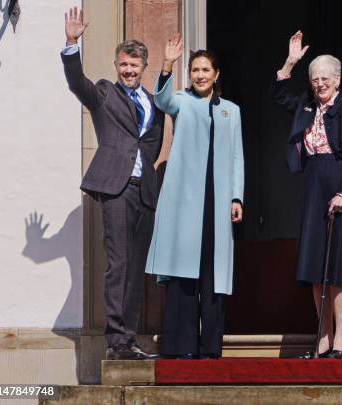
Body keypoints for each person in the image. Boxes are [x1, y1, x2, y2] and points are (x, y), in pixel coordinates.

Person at [61, 7, 164, 360]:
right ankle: (116, 342)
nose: (129, 70)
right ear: (117, 65)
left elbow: (150, 144)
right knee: (118, 263)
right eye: (123, 64)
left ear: (143, 67)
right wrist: (72, 44)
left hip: (144, 190)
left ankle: (129, 338)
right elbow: (78, 84)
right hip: (115, 188)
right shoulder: (104, 93)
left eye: (134, 65)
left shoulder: (153, 103)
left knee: (136, 268)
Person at [145, 34, 244, 360]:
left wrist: (236, 197)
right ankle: (181, 347)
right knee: (184, 277)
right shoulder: (182, 101)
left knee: (213, 279)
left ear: (216, 74)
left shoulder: (232, 111)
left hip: (217, 205)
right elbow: (161, 101)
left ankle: (210, 349)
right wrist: (168, 64)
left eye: (205, 69)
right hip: (187, 204)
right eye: (195, 70)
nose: (200, 75)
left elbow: (236, 159)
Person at [270, 31, 342, 359]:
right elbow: (277, 95)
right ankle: (323, 338)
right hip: (312, 184)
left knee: (339, 268)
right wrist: (290, 62)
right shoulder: (306, 106)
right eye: (314, 79)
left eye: (325, 78)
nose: (319, 84)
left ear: (337, 80)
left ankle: (341, 338)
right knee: (315, 265)